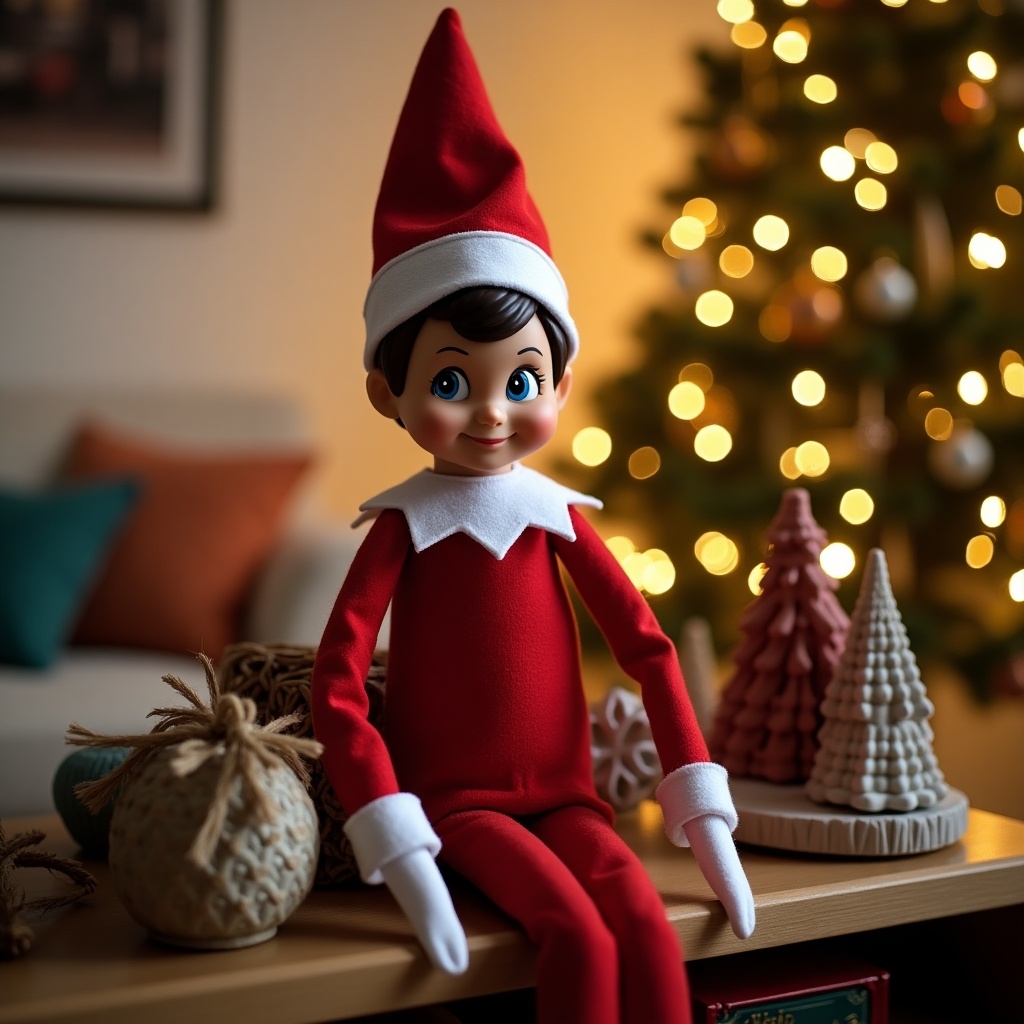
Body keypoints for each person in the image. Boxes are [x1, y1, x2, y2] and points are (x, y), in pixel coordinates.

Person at [310, 11, 754, 1024]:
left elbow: (646, 648)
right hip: (460, 807)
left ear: (559, 378)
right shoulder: (403, 526)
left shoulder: (557, 516)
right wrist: (400, 839)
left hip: (569, 795)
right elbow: (335, 684)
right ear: (389, 390)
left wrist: (702, 812)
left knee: (643, 928)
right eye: (453, 381)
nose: (493, 413)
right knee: (573, 934)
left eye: (523, 379)